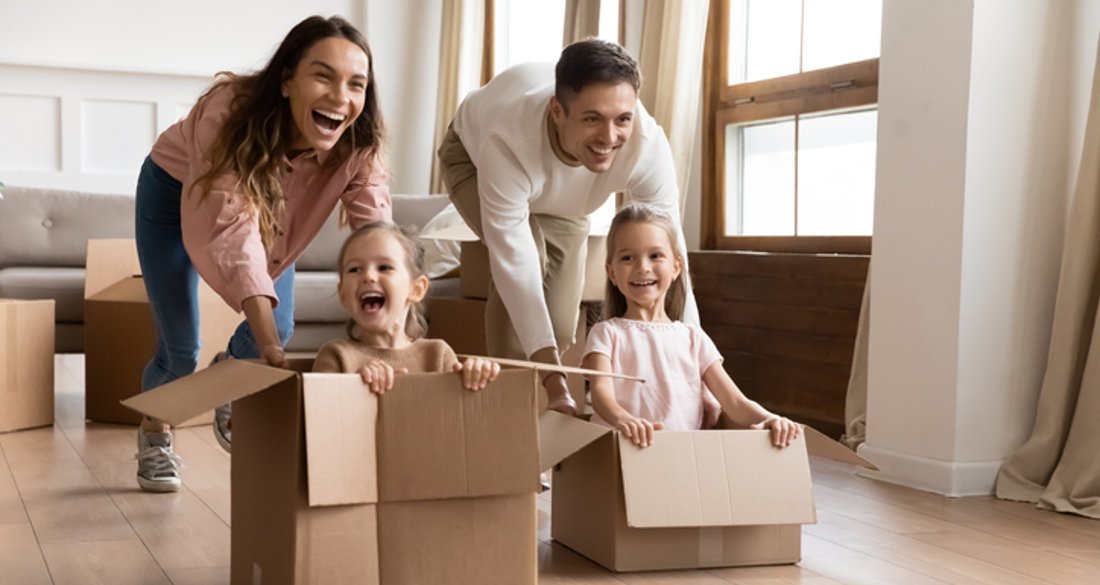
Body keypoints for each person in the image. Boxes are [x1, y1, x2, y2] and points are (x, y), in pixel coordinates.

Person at [134, 15, 391, 493]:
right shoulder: (228, 114)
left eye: (356, 84)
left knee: (282, 325)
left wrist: (400, 320)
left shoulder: (358, 144)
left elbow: (377, 230)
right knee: (180, 348)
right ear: (288, 79)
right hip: (173, 195)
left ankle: (227, 376)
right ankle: (155, 433)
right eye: (323, 75)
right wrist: (267, 349)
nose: (341, 97)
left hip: (272, 209)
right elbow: (233, 232)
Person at [437, 38, 699, 417]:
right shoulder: (508, 138)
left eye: (622, 119)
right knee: (532, 261)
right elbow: (517, 265)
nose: (610, 138)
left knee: (558, 325)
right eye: (592, 118)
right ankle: (504, 422)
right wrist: (555, 385)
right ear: (557, 111)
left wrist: (699, 358)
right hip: (473, 158)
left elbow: (673, 255)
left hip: (565, 199)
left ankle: (542, 403)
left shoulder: (647, 144)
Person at [581, 204, 800, 449]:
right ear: (611, 272)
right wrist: (624, 419)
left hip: (680, 458)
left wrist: (770, 418)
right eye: (627, 258)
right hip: (621, 452)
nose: (642, 267)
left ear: (676, 267)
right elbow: (601, 394)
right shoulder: (606, 333)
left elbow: (735, 402)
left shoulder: (694, 338)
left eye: (655, 255)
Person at [312, 222, 500, 391]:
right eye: (355, 269)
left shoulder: (437, 354)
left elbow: (457, 415)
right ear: (343, 294)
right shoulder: (336, 356)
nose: (368, 276)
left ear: (416, 289)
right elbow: (317, 419)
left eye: (384, 267)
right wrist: (355, 386)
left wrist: (476, 376)